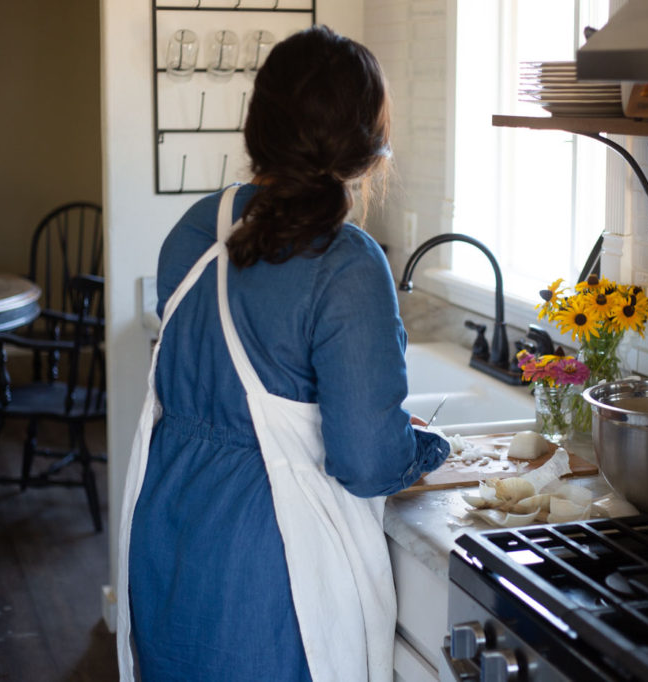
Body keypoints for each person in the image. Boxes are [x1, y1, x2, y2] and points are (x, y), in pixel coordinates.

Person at [116, 25, 450, 682]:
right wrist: (427, 450)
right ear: (367, 147)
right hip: (269, 563)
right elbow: (365, 461)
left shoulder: (196, 228)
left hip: (167, 528)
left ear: (256, 127)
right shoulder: (346, 264)